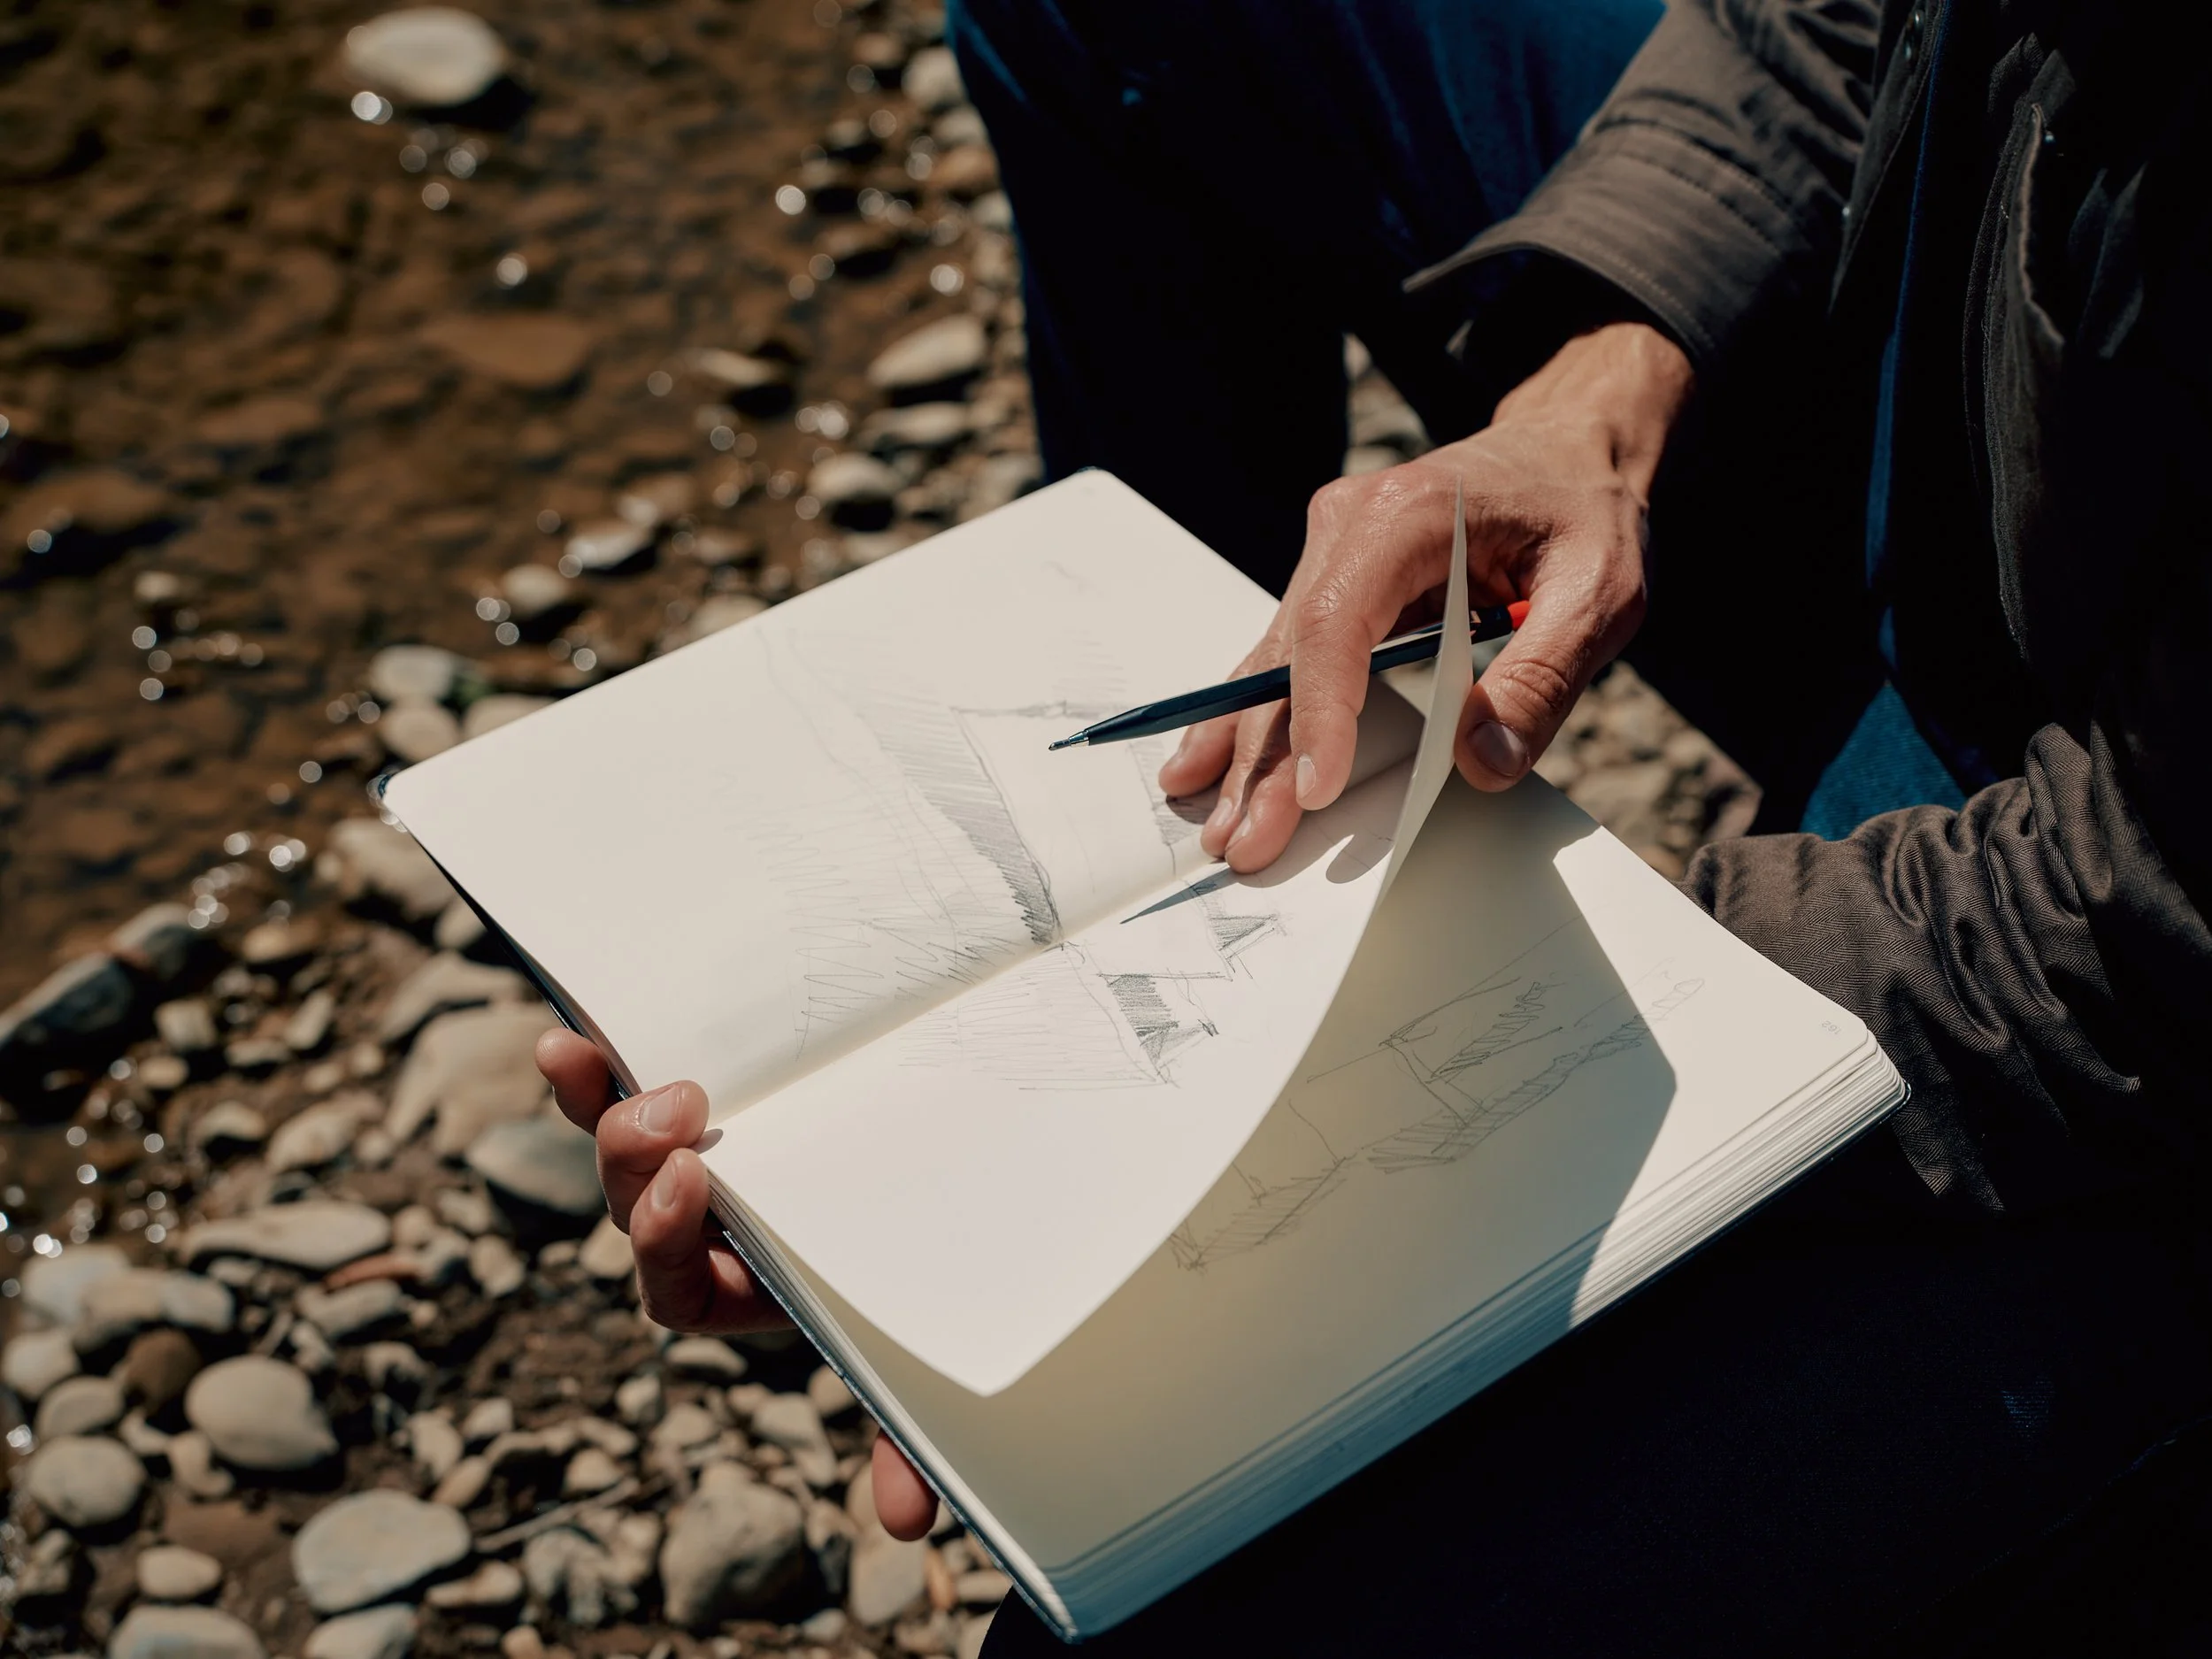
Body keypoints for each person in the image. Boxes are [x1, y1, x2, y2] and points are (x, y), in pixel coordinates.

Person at [541, 0, 2212, 1649]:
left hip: (2132, 984)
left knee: (1192, 1600)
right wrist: (1602, 387)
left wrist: (1458, 1012)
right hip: (2004, 431)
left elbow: (2149, 923)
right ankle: (1168, 765)